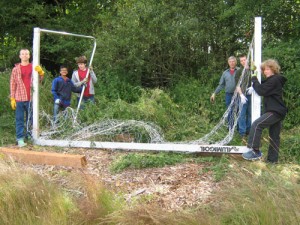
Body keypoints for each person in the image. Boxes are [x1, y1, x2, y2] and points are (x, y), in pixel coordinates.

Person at [242, 59, 287, 162]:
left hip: (275, 111)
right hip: (278, 111)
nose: (265, 72)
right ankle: (272, 160)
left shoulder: (274, 80)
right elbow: (261, 85)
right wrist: (252, 72)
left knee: (257, 125)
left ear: (273, 69)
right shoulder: (273, 80)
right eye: (263, 70)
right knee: (274, 137)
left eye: (267, 69)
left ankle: (255, 151)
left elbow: (261, 90)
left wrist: (254, 78)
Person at [10, 48, 45, 147]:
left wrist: (41, 73)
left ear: (29, 56)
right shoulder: (15, 69)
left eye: (26, 54)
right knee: (20, 119)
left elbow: (39, 81)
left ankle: (29, 135)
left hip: (31, 98)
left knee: (30, 119)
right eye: (23, 54)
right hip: (19, 98)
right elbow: (12, 84)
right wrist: (12, 98)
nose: (25, 55)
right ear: (20, 56)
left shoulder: (34, 67)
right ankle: (20, 138)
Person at [210, 56, 239, 128]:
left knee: (239, 110)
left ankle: (239, 128)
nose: (232, 63)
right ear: (228, 63)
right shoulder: (225, 73)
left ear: (236, 62)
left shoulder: (240, 70)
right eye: (230, 62)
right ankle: (230, 127)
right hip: (228, 94)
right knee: (229, 110)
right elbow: (221, 85)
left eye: (233, 61)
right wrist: (214, 93)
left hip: (239, 94)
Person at [235, 54, 252, 141]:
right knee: (242, 114)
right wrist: (241, 95)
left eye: (244, 60)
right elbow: (238, 85)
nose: (243, 62)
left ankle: (249, 131)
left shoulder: (253, 70)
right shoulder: (239, 72)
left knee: (250, 114)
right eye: (241, 61)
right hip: (242, 95)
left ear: (247, 59)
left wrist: (254, 87)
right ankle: (242, 133)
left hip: (252, 95)